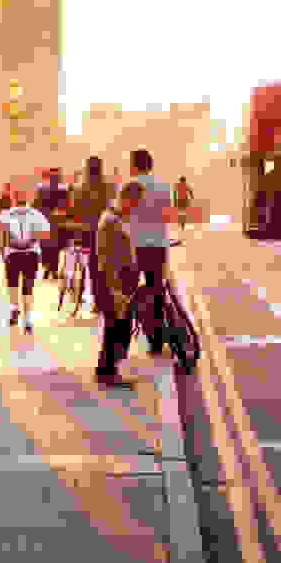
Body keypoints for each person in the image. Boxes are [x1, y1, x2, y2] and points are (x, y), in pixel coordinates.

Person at [122, 147, 175, 356]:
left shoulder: (128, 186)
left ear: (134, 166)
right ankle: (156, 340)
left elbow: (122, 214)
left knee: (128, 292)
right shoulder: (163, 185)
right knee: (156, 291)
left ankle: (123, 341)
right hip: (158, 246)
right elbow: (169, 214)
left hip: (133, 246)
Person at [92, 182, 141, 386]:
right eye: (136, 202)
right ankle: (107, 373)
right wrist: (115, 289)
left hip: (120, 281)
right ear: (127, 199)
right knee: (115, 328)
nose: (136, 207)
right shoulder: (110, 221)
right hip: (115, 282)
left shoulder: (115, 218)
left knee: (117, 327)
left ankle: (107, 371)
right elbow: (106, 259)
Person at [0, 185, 47, 334]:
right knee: (28, 287)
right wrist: (34, 240)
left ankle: (14, 308)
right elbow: (45, 232)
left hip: (12, 253)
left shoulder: (5, 214)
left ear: (13, 198)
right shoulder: (36, 214)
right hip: (30, 254)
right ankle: (27, 320)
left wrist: (2, 250)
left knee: (12, 284)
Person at [35, 168, 70, 281]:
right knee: (51, 248)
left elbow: (37, 204)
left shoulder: (43, 188)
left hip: (51, 221)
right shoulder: (61, 188)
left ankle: (50, 269)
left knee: (50, 247)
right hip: (54, 221)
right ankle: (50, 269)